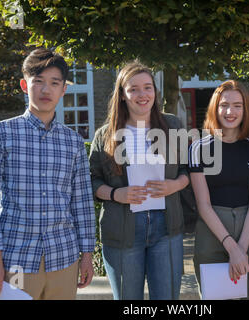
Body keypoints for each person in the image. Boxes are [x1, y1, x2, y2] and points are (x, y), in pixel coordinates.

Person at [0, 48, 96, 300]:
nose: (45, 90)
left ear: (64, 90)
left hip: (64, 256)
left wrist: (87, 255)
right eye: (37, 82)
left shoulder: (73, 142)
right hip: (15, 258)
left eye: (54, 83)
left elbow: (82, 202)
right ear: (24, 85)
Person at [89, 61, 189, 300]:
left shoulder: (173, 125)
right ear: (122, 95)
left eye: (147, 87)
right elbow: (90, 182)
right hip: (123, 233)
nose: (142, 94)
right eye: (133, 89)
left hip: (166, 229)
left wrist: (174, 185)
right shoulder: (104, 135)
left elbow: (189, 170)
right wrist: (116, 194)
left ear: (155, 91)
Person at [188, 80, 249, 299]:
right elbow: (203, 205)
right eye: (224, 105)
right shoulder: (199, 148)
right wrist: (231, 248)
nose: (230, 111)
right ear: (215, 109)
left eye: (237, 105)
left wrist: (241, 248)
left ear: (246, 109)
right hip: (212, 230)